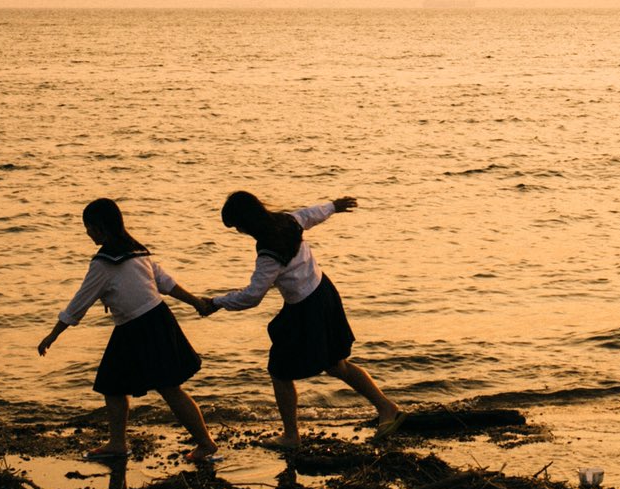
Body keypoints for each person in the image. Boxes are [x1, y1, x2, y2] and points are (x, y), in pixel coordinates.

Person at [199, 191, 404, 449]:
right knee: (336, 365)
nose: (238, 231)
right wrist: (333, 206)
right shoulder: (288, 221)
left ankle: (291, 436)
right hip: (323, 293)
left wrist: (216, 302)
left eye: (237, 226)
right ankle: (387, 407)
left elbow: (252, 297)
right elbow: (310, 214)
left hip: (307, 308)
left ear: (246, 223)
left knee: (280, 370)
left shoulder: (268, 254)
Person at [37, 197, 218, 464]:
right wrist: (195, 303)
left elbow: (79, 303)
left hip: (140, 327)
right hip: (156, 320)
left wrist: (52, 335)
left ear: (100, 228)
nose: (87, 233)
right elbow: (167, 284)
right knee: (117, 384)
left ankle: (204, 444)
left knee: (162, 388)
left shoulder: (104, 263)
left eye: (88, 227)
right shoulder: (137, 252)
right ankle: (119, 443)